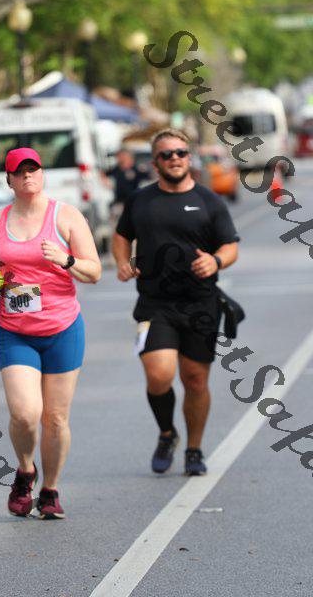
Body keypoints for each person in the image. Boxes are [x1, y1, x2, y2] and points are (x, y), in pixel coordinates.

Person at [0, 147, 101, 518]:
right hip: (16, 329)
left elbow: (94, 272)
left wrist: (65, 259)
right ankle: (25, 470)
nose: (28, 175)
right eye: (20, 171)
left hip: (63, 327)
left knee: (56, 419)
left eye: (33, 169)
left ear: (42, 174)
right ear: (9, 180)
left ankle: (50, 490)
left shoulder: (67, 216)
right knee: (25, 414)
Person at [112, 129, 239, 476]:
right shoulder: (140, 200)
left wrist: (216, 261)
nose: (174, 159)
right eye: (166, 154)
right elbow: (121, 236)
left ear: (189, 157)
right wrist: (122, 262)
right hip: (155, 304)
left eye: (180, 152)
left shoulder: (209, 200)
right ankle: (167, 433)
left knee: (195, 380)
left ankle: (194, 449)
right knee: (159, 375)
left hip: (200, 304)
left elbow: (230, 246)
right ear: (155, 163)